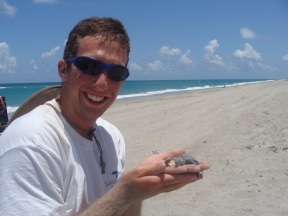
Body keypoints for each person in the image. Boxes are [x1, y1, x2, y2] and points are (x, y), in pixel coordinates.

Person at [0, 17, 209, 216]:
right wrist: (125, 193)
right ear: (64, 70)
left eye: (116, 72)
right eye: (90, 66)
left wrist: (137, 193)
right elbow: (118, 200)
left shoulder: (111, 135)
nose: (102, 83)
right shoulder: (31, 143)